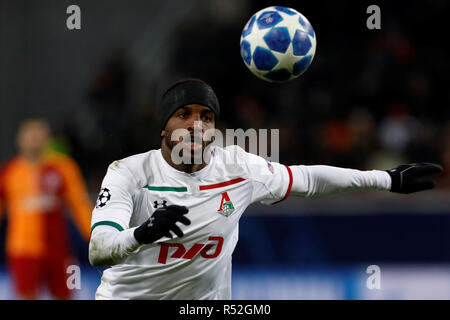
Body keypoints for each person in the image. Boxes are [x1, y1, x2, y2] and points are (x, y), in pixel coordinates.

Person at [88, 79, 442, 300]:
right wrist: (144, 232)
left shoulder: (237, 168)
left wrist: (387, 180)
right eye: (184, 114)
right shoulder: (128, 173)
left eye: (206, 117)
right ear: (163, 129)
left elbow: (308, 179)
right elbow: (99, 250)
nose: (196, 125)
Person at [0, 119, 93, 299]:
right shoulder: (9, 172)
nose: (35, 139)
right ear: (19, 140)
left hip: (57, 246)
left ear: (48, 139)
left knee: (63, 294)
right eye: (30, 135)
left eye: (39, 134)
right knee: (26, 295)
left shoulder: (63, 168)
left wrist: (95, 235)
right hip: (23, 248)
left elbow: (79, 204)